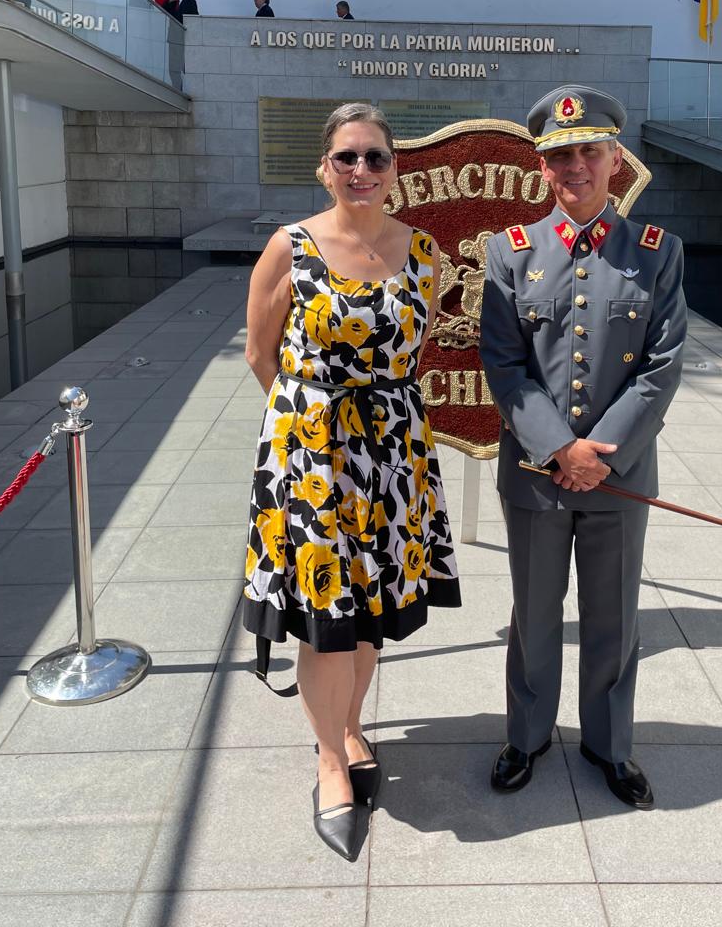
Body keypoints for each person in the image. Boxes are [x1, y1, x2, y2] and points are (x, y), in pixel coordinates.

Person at [243, 102, 461, 861]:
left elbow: (414, 351)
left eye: (375, 157)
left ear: (395, 169)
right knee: (326, 616)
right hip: (313, 460)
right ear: (325, 168)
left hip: (394, 457)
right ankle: (330, 760)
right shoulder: (291, 246)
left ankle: (351, 725)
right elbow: (260, 354)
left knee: (371, 611)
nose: (361, 170)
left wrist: (373, 423)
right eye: (347, 157)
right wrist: (311, 427)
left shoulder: (424, 251)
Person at [480, 85, 687, 811]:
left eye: (589, 152)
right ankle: (526, 736)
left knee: (614, 616)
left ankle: (609, 744)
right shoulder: (509, 253)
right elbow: (503, 364)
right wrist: (559, 450)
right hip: (536, 475)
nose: (576, 167)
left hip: (618, 476)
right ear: (542, 167)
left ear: (615, 161)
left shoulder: (657, 254)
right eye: (561, 155)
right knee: (535, 614)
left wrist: (599, 453)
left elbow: (663, 366)